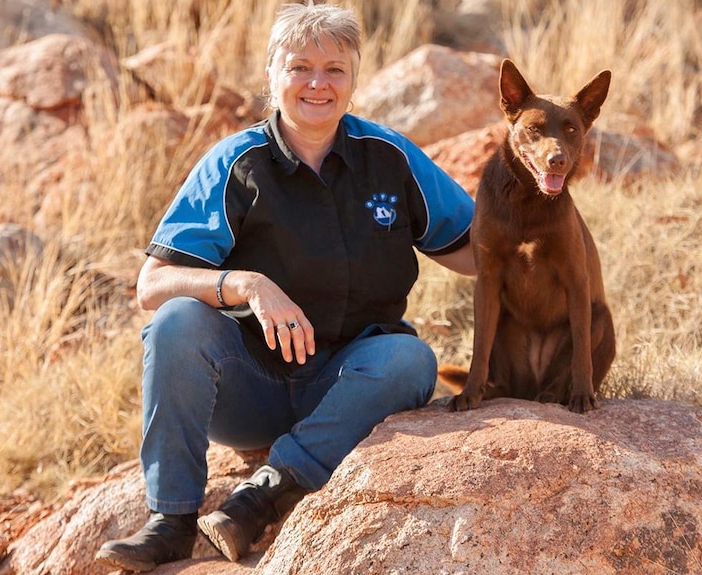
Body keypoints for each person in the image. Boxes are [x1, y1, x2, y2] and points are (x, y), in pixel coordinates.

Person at [94, 1, 475, 571]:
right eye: (299, 67)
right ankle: (170, 523)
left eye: (335, 69)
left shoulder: (390, 158)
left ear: (353, 79)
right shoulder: (234, 163)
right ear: (271, 75)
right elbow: (153, 284)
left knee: (409, 358)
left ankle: (263, 496)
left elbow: (474, 249)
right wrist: (245, 284)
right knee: (175, 321)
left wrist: (548, 245)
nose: (317, 83)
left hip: (349, 387)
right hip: (250, 390)